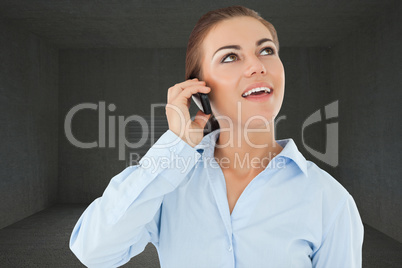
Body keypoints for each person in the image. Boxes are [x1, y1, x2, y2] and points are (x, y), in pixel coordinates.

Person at [70, 5, 364, 267]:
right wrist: (176, 146)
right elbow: (94, 252)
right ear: (199, 91)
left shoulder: (329, 199)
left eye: (266, 50)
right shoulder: (170, 185)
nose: (257, 66)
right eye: (230, 57)